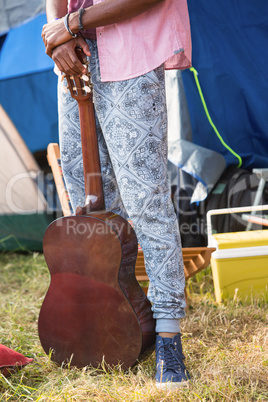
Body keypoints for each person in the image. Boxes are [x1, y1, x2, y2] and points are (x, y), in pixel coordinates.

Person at [42, 0, 192, 389]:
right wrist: (56, 36)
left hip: (131, 52)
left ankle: (168, 336)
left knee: (147, 201)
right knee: (87, 204)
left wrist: (71, 23)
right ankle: (99, 320)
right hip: (72, 54)